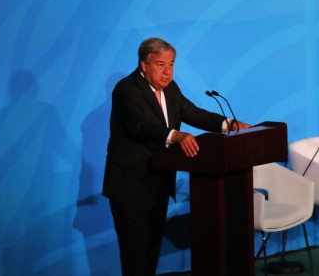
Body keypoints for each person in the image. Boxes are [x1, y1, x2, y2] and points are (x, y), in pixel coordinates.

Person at [102, 37, 249, 275]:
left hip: (159, 180)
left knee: (150, 251)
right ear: (144, 65)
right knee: (135, 255)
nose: (167, 71)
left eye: (171, 64)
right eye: (161, 64)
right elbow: (140, 127)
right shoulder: (126, 90)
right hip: (131, 186)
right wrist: (176, 136)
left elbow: (193, 113)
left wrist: (228, 124)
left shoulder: (171, 89)